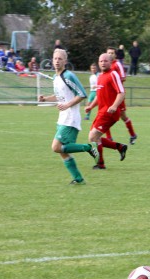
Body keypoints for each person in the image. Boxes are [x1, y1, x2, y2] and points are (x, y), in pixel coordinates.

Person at [38, 49, 100, 185]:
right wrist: (46, 99)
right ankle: (78, 179)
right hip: (62, 118)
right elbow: (60, 96)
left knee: (56, 147)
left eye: (60, 59)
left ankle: (89, 148)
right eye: (55, 58)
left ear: (65, 61)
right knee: (63, 151)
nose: (57, 61)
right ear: (52, 60)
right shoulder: (56, 78)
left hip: (70, 118)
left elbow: (82, 94)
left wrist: (67, 105)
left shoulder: (68, 76)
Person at [84, 53, 128, 170]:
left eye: (105, 61)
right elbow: (99, 96)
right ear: (98, 63)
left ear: (110, 62)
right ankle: (119, 147)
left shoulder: (113, 74)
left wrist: (114, 106)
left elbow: (121, 92)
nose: (103, 63)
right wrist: (91, 106)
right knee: (93, 137)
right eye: (101, 61)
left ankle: (100, 164)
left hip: (110, 112)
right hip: (101, 111)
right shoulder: (100, 76)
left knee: (93, 136)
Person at [106, 46, 138, 145]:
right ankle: (109, 138)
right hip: (108, 96)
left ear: (115, 55)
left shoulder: (117, 64)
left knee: (123, 116)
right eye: (109, 53)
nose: (110, 55)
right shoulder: (105, 65)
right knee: (105, 115)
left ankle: (132, 135)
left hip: (118, 96)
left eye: (112, 53)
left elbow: (123, 78)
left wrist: (114, 82)